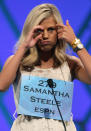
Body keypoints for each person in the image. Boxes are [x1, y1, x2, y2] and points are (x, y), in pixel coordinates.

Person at [0, 3, 91, 131]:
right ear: (30, 31)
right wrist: (23, 47)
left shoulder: (70, 64)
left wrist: (75, 42)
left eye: (50, 29)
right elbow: (2, 85)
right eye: (39, 30)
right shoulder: (18, 62)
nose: (45, 36)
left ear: (59, 31)